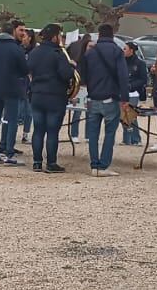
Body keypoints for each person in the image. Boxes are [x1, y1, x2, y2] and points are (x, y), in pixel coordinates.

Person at [79, 24, 132, 177]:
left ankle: (94, 164)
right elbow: (122, 76)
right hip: (111, 97)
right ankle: (103, 165)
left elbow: (84, 75)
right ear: (113, 35)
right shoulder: (116, 51)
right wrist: (125, 98)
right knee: (109, 133)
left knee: (93, 133)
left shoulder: (90, 52)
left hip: (94, 96)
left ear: (99, 35)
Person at [26, 24, 74, 174]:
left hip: (37, 94)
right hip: (55, 95)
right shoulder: (58, 53)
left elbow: (28, 69)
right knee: (52, 131)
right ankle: (51, 163)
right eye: (59, 35)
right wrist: (71, 67)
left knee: (38, 130)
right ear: (54, 37)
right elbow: (66, 74)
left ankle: (37, 162)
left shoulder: (35, 52)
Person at [0, 22, 29, 166]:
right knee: (11, 120)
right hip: (11, 87)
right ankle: (9, 152)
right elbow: (24, 70)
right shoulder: (16, 49)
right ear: (12, 33)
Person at [122, 41, 148, 146]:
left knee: (131, 115)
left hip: (134, 92)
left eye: (125, 49)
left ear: (131, 51)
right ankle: (126, 139)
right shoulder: (121, 62)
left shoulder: (140, 63)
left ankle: (136, 138)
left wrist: (131, 85)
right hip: (122, 91)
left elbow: (143, 79)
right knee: (123, 115)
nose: (123, 51)